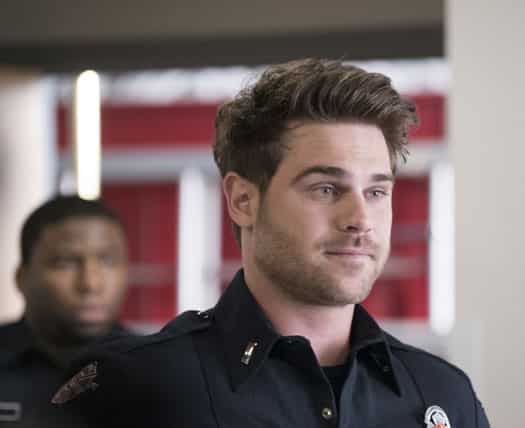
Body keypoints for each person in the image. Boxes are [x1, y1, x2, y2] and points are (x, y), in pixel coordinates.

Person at [55, 58, 490, 428]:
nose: (360, 220)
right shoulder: (132, 388)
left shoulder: (443, 395)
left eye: (376, 192)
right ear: (243, 200)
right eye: (326, 189)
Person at [0, 195, 130, 427]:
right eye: (65, 263)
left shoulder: (160, 371)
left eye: (108, 261)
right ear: (22, 277)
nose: (91, 284)